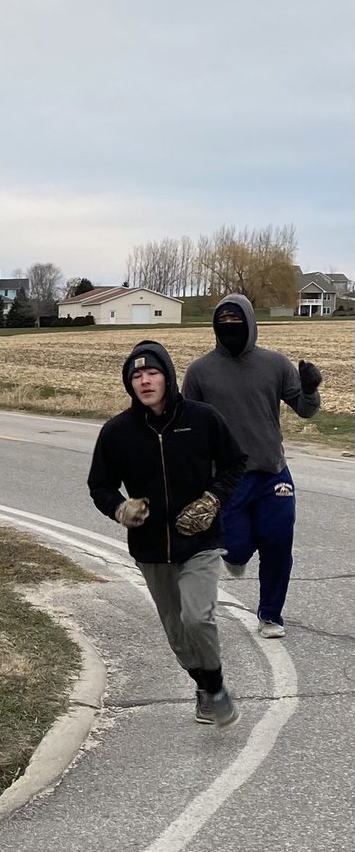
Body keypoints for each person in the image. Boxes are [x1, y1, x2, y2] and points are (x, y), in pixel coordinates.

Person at [88, 340, 247, 728]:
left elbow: (235, 463)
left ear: (169, 376)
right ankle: (205, 686)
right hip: (151, 548)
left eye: (152, 373)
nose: (145, 381)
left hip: (201, 542)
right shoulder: (117, 432)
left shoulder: (203, 418)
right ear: (129, 384)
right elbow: (100, 486)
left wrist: (213, 499)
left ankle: (217, 686)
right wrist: (119, 508)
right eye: (137, 376)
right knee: (177, 632)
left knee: (197, 618)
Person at [183, 294, 322, 640]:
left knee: (278, 544)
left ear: (250, 323)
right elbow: (189, 426)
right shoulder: (200, 371)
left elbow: (305, 410)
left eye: (237, 322)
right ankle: (238, 554)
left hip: (273, 472)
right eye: (223, 322)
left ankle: (271, 615)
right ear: (215, 327)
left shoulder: (275, 364)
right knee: (238, 549)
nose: (230, 328)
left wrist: (310, 388)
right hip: (228, 480)